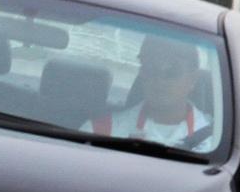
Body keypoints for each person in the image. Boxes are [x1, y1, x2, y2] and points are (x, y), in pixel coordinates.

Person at [82, 36, 212, 148]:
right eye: (151, 68)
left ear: (192, 79)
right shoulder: (100, 133)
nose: (160, 79)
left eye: (171, 70)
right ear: (142, 73)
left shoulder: (215, 141)